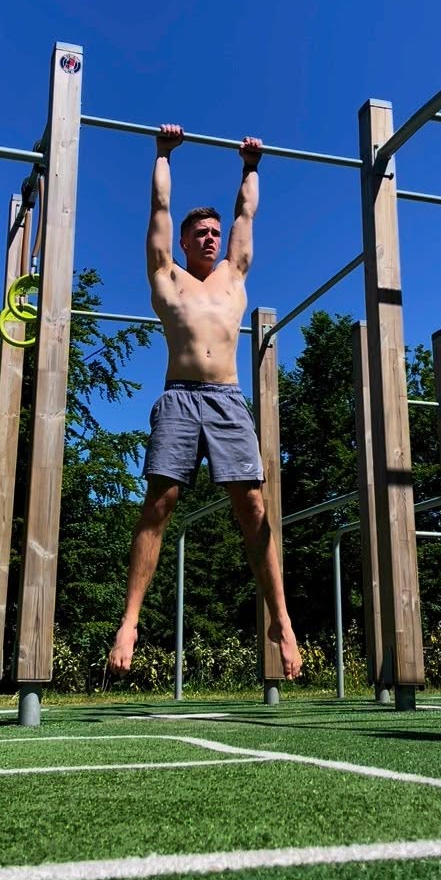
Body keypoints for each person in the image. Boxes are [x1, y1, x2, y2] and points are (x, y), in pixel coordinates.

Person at [108, 124, 302, 681]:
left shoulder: (232, 278)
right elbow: (159, 207)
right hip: (179, 397)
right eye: (202, 233)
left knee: (253, 507)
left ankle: (282, 620)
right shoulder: (166, 275)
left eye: (215, 232)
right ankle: (129, 623)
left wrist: (251, 166)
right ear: (184, 242)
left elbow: (246, 214)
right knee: (160, 501)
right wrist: (163, 154)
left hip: (227, 398)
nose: (212, 238)